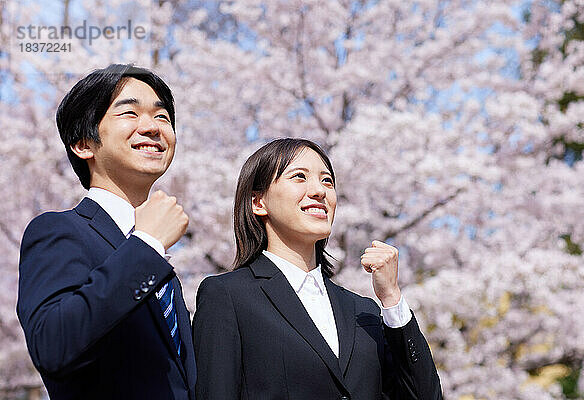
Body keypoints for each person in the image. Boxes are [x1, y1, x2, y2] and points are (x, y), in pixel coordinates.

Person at [193, 138, 442, 399]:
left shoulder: (363, 311)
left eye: (327, 181)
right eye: (299, 177)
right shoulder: (228, 296)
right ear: (259, 203)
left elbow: (426, 396)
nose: (319, 191)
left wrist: (391, 299)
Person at [17, 64, 196, 400]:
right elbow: (52, 345)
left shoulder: (159, 268)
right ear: (84, 144)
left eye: (163, 118)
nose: (152, 128)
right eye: (130, 113)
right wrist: (146, 244)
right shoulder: (59, 231)